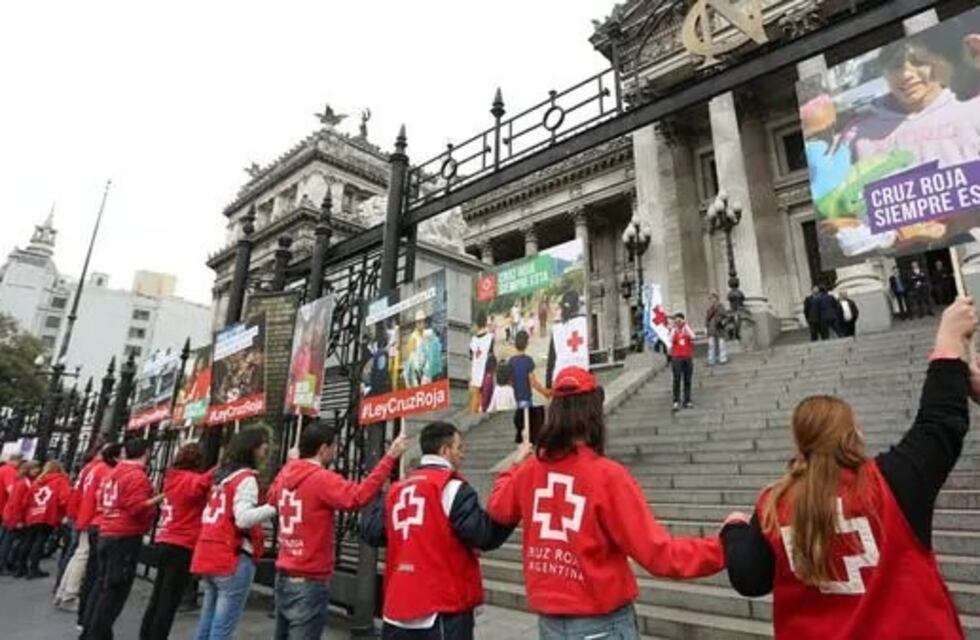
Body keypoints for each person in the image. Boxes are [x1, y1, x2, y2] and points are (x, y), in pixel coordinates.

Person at [721, 297, 979, 639]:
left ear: (799, 443)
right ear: (853, 434)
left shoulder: (774, 504)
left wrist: (734, 529)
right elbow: (940, 424)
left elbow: (749, 578)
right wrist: (949, 339)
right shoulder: (889, 483)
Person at [487, 367, 741, 639]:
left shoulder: (531, 470)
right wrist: (726, 546)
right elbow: (659, 555)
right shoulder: (607, 476)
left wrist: (515, 464)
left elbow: (497, 508)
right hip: (601, 626)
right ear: (594, 411)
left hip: (550, 626)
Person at [362, 421, 513, 639]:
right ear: (444, 450)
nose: (463, 454)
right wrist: (512, 496)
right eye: (459, 448)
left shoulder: (396, 490)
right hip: (441, 609)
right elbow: (483, 535)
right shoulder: (451, 488)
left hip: (397, 607)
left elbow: (372, 532)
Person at [267, 424, 408, 638]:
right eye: (334, 447)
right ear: (323, 449)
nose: (335, 452)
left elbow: (271, 497)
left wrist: (289, 464)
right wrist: (389, 458)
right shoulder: (321, 478)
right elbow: (357, 496)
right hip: (309, 577)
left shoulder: (287, 473)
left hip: (285, 573)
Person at [191, 429, 278, 640]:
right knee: (223, 627)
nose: (266, 448)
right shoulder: (245, 479)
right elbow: (243, 518)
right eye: (263, 443)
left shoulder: (221, 479)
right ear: (252, 448)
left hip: (209, 553)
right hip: (232, 556)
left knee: (207, 620)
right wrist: (274, 507)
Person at [81, 437, 158, 640]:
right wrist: (157, 501)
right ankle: (97, 633)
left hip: (107, 530)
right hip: (124, 535)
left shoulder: (114, 473)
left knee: (102, 586)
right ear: (146, 452)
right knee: (115, 591)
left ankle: (90, 628)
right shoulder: (136, 476)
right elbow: (136, 507)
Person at [139, 443, 215, 640]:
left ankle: (146, 634)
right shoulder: (190, 480)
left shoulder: (172, 478)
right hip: (182, 542)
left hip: (165, 538)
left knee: (158, 596)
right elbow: (197, 487)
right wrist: (218, 468)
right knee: (169, 600)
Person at [65, 443, 120, 623]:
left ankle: (66, 590)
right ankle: (70, 593)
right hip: (94, 518)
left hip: (85, 514)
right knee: (85, 557)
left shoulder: (92, 468)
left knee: (79, 555)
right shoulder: (104, 471)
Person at [15, 459, 70, 579]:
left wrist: (23, 515)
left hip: (32, 514)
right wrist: (64, 514)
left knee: (28, 541)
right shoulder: (61, 480)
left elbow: (26, 500)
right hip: (48, 515)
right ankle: (33, 569)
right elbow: (64, 499)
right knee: (40, 542)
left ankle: (20, 567)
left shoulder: (38, 481)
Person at [0, 460, 40, 574]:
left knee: (6, 540)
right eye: (34, 469)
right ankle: (3, 564)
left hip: (9, 514)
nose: (37, 471)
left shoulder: (21, 482)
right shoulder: (23, 484)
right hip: (13, 516)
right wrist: (18, 520)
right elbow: (17, 503)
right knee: (8, 542)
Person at [546, 290, 589, 388]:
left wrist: (548, 386)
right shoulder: (586, 322)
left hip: (559, 380)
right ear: (578, 306)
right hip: (582, 377)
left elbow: (551, 360)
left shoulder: (556, 328)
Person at [509, 330, 550, 409]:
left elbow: (510, 382)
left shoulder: (511, 361)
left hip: (514, 398)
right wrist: (544, 392)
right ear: (527, 344)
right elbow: (533, 382)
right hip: (525, 399)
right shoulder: (528, 361)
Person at [469, 311, 494, 414]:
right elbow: (492, 357)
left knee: (475, 403)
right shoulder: (490, 338)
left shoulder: (473, 340)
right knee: (486, 404)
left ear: (476, 323)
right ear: (485, 322)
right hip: (486, 374)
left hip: (475, 374)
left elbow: (471, 356)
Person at [669, 313, 695, 411]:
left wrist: (686, 326)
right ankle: (676, 401)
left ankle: (687, 400)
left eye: (680, 320)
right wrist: (673, 328)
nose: (678, 322)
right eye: (676, 320)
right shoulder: (673, 330)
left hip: (687, 356)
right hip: (676, 357)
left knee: (687, 379)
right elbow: (669, 339)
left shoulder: (686, 330)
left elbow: (693, 336)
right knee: (677, 379)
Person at [705, 292, 728, 366]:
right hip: (712, 328)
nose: (712, 300)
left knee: (721, 345)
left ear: (717, 299)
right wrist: (706, 327)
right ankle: (711, 360)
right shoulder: (709, 309)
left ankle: (722, 358)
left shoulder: (721, 307)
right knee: (711, 345)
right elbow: (707, 319)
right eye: (711, 299)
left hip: (719, 328)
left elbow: (725, 316)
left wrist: (723, 322)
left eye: (713, 298)